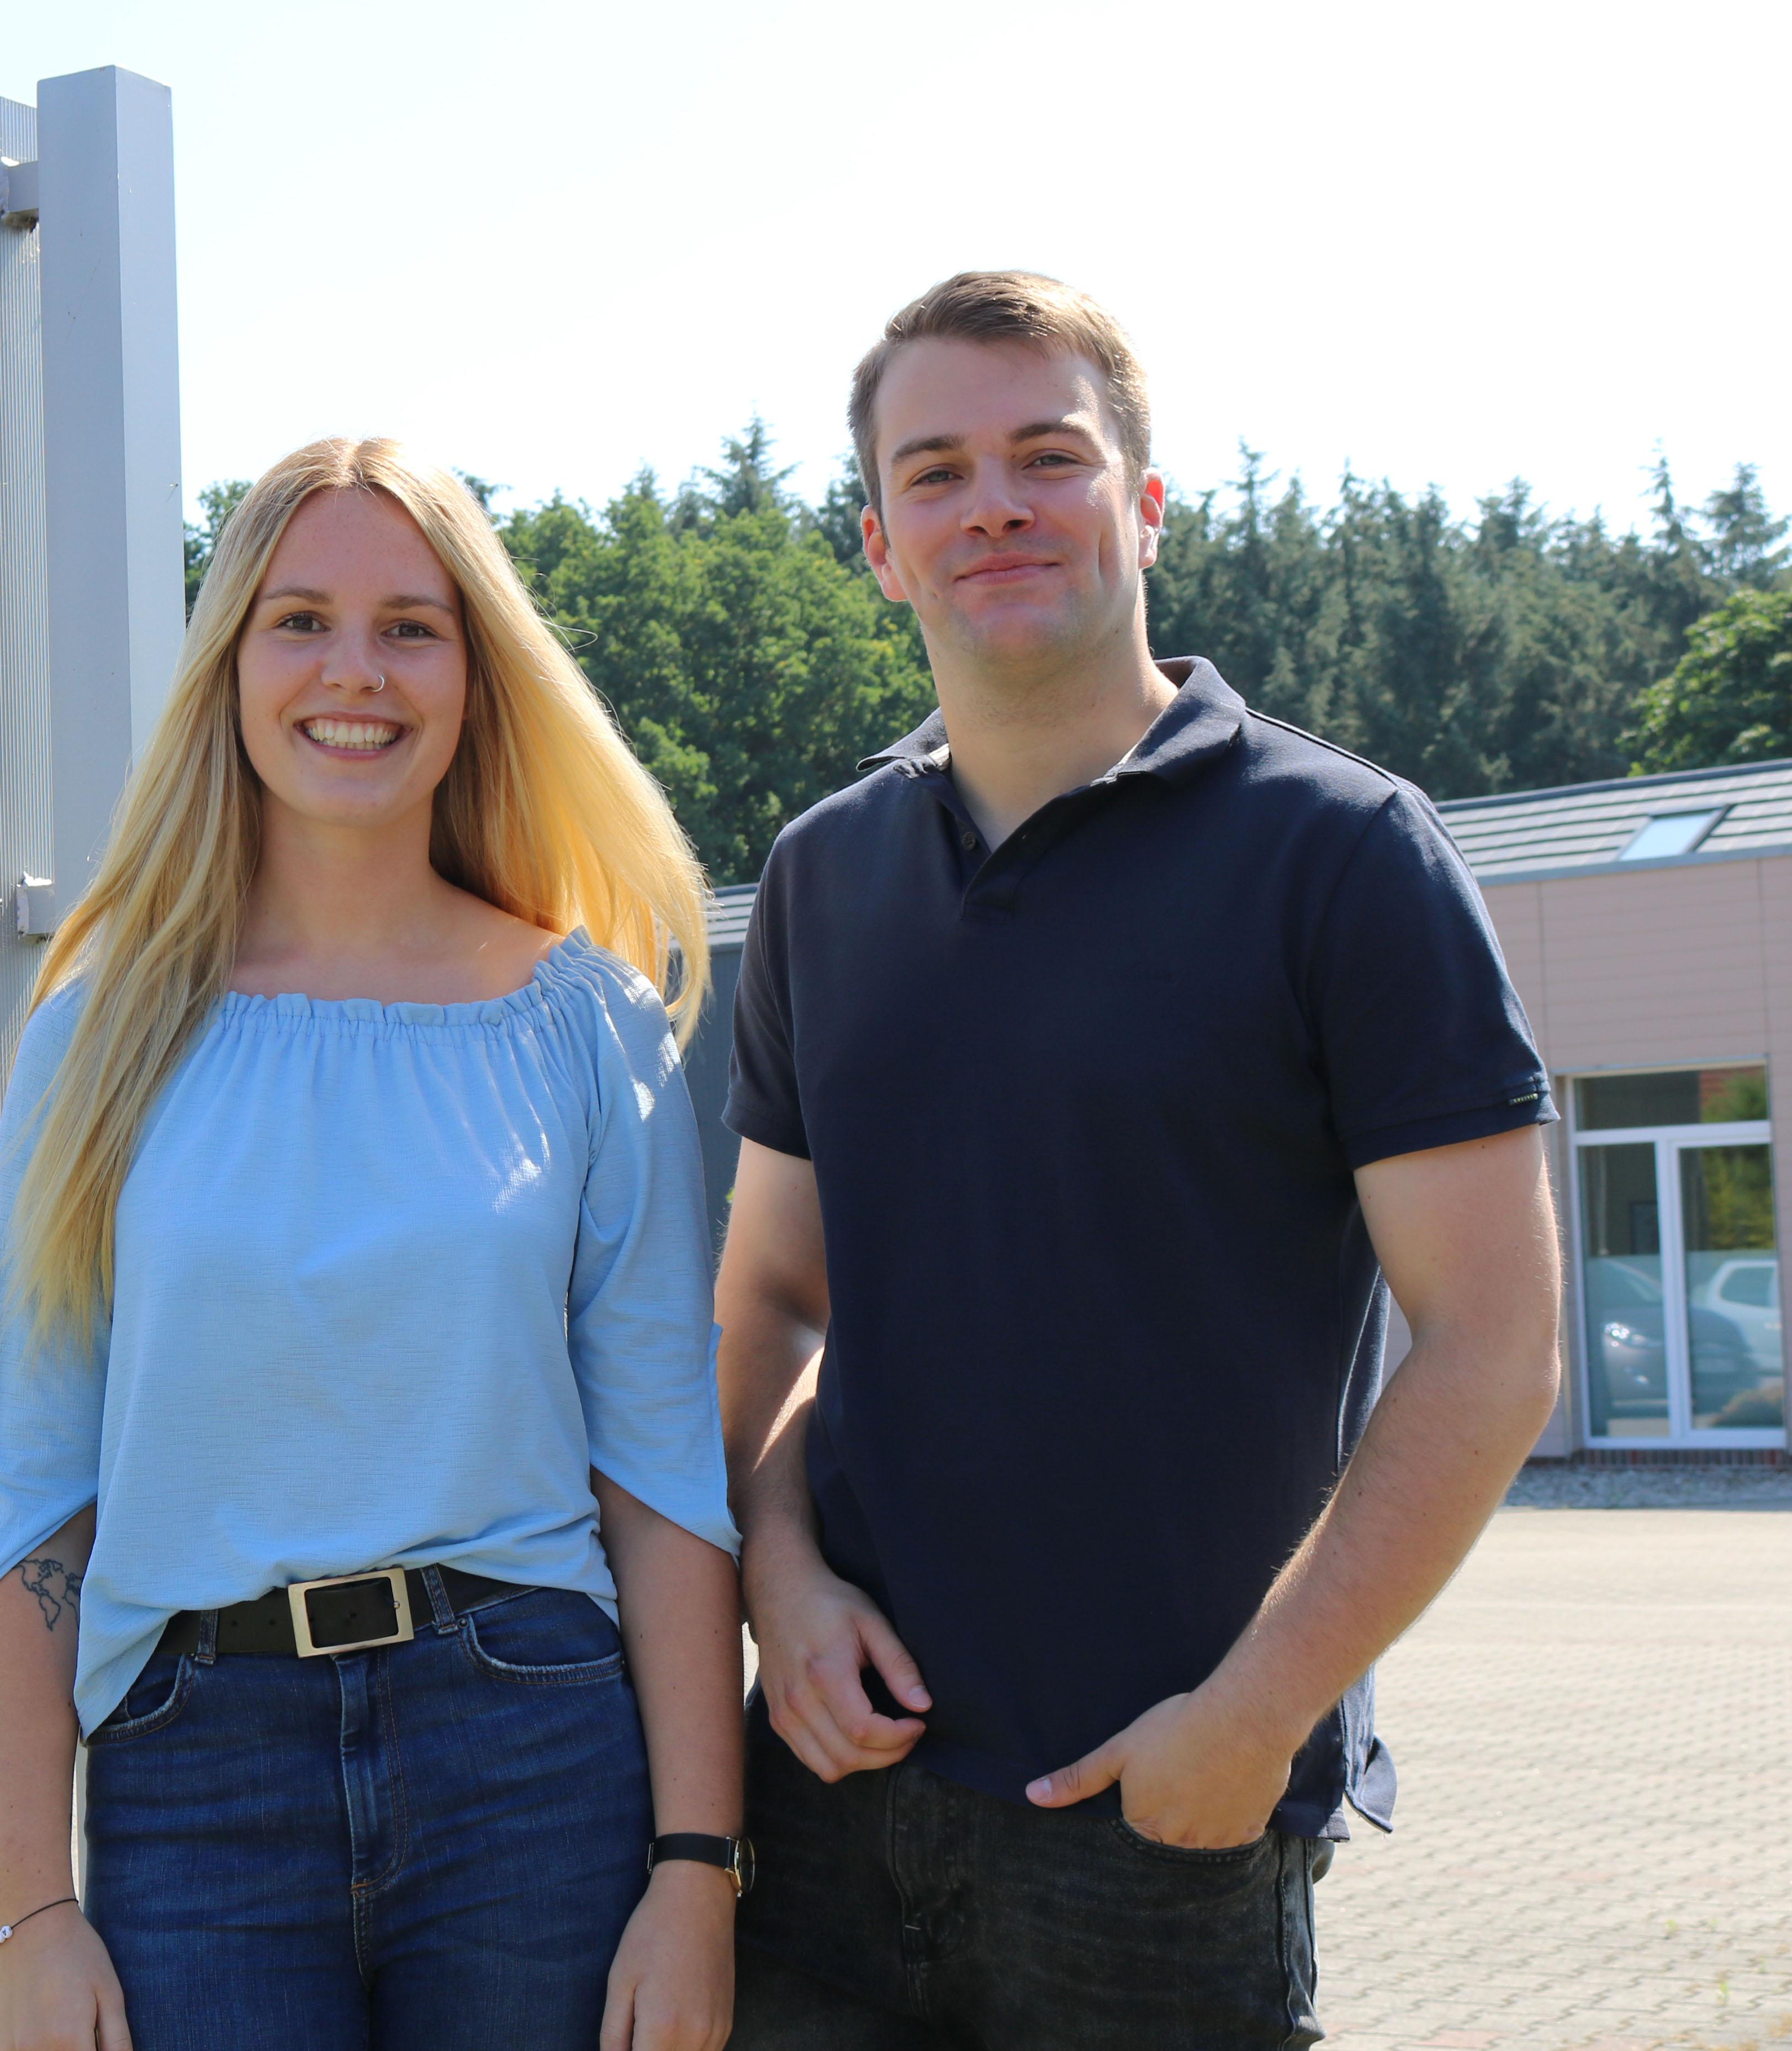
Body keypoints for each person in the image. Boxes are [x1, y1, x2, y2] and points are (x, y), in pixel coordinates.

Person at [713, 272, 1563, 2047]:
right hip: (824, 1811)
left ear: (1147, 502)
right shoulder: (820, 874)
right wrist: (779, 1582)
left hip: (1160, 1819)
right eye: (935, 472)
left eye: (1049, 455)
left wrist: (1255, 1718)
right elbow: (777, 1303)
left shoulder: (1346, 853)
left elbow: (1493, 1344)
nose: (994, 505)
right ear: (880, 546)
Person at [0, 438, 748, 2051]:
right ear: (229, 666)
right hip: (193, 1771)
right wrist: (27, 1912)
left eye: (410, 627)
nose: (354, 672)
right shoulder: (99, 1036)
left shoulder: (586, 1025)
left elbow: (663, 1474)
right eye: (300, 620)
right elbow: (31, 1492)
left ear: (475, 676)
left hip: (530, 1754)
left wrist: (697, 1869)